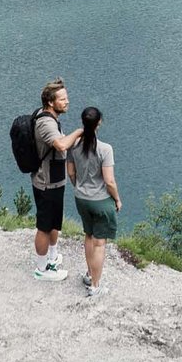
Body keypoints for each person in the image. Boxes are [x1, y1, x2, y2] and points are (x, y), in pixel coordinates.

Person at [31, 79, 83, 281]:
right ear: (51, 102)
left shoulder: (50, 117)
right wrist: (79, 131)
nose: (67, 101)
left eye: (66, 97)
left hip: (55, 178)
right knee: (44, 226)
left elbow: (62, 142)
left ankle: (52, 257)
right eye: (62, 99)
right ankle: (41, 270)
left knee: (54, 221)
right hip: (46, 181)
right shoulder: (45, 122)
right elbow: (61, 145)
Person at [66, 105, 120, 298]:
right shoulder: (105, 149)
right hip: (100, 200)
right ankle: (95, 287)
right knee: (99, 243)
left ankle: (89, 275)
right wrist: (117, 199)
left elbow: (71, 172)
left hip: (81, 198)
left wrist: (78, 186)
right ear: (99, 123)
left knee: (88, 236)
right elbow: (109, 181)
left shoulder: (74, 146)